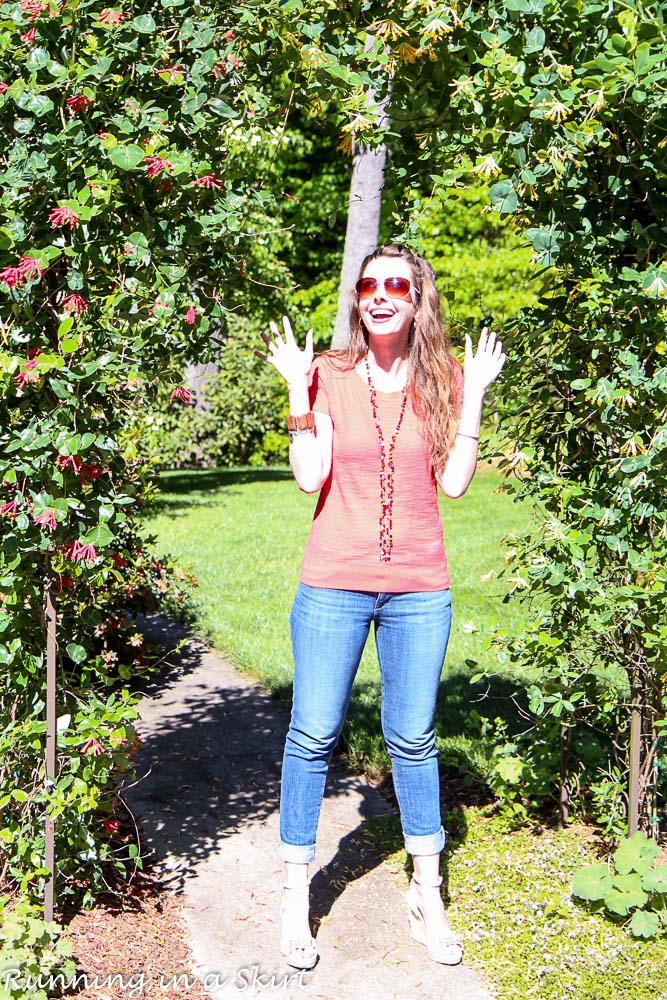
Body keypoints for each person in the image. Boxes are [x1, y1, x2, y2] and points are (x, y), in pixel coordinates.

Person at [258, 243, 506, 970]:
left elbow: (455, 484)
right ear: (358, 298)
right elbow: (309, 478)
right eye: (368, 284)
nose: (379, 294)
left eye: (395, 283)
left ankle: (426, 895)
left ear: (417, 296)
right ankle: (294, 891)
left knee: (413, 739)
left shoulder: (444, 379)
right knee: (311, 734)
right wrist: (297, 393)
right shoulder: (329, 375)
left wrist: (477, 393)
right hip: (333, 583)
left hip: (418, 593)